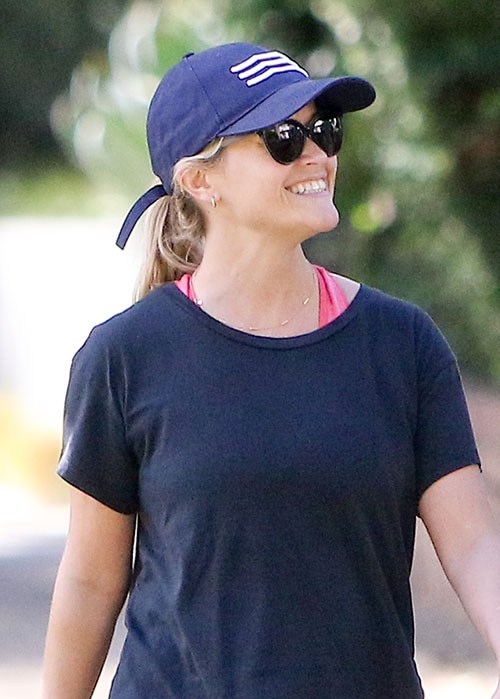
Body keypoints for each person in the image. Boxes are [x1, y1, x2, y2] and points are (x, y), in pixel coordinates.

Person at [42, 42, 500, 698]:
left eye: (325, 130)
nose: (317, 154)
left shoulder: (403, 344)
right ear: (201, 181)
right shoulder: (123, 357)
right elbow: (91, 581)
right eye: (283, 138)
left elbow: (475, 543)